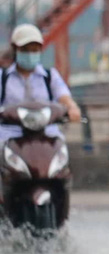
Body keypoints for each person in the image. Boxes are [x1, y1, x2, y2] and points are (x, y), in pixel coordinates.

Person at [1, 24, 83, 212]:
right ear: (15, 49)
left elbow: (64, 97)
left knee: (62, 160)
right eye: (25, 50)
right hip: (9, 136)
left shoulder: (49, 76)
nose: (30, 54)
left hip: (47, 135)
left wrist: (72, 108)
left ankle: (62, 203)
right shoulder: (3, 78)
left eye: (34, 50)